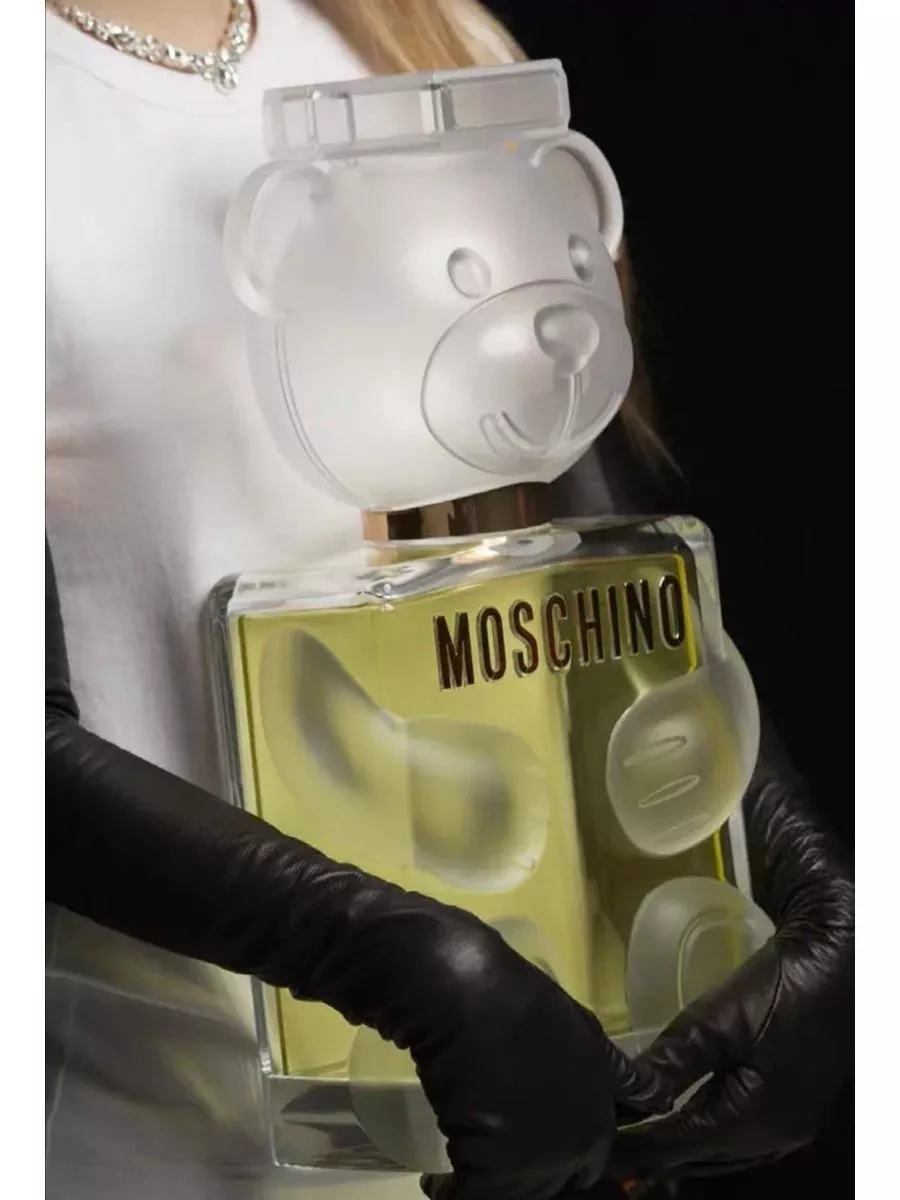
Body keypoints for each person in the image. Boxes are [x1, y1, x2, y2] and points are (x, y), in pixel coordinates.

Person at [45, 3, 853, 1200]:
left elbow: (593, 571)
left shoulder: (425, 44)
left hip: (542, 1113)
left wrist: (798, 876)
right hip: (157, 1137)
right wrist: (381, 956)